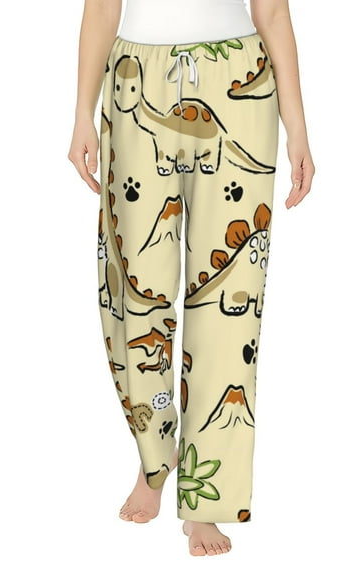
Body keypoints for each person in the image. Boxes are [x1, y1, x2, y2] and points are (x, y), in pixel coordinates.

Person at [68, 0, 315, 556]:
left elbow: (273, 12)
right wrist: (82, 111)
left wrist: (298, 128)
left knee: (229, 301)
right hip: (136, 76)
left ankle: (207, 498)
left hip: (237, 81)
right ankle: (156, 454)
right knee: (137, 289)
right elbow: (103, 6)